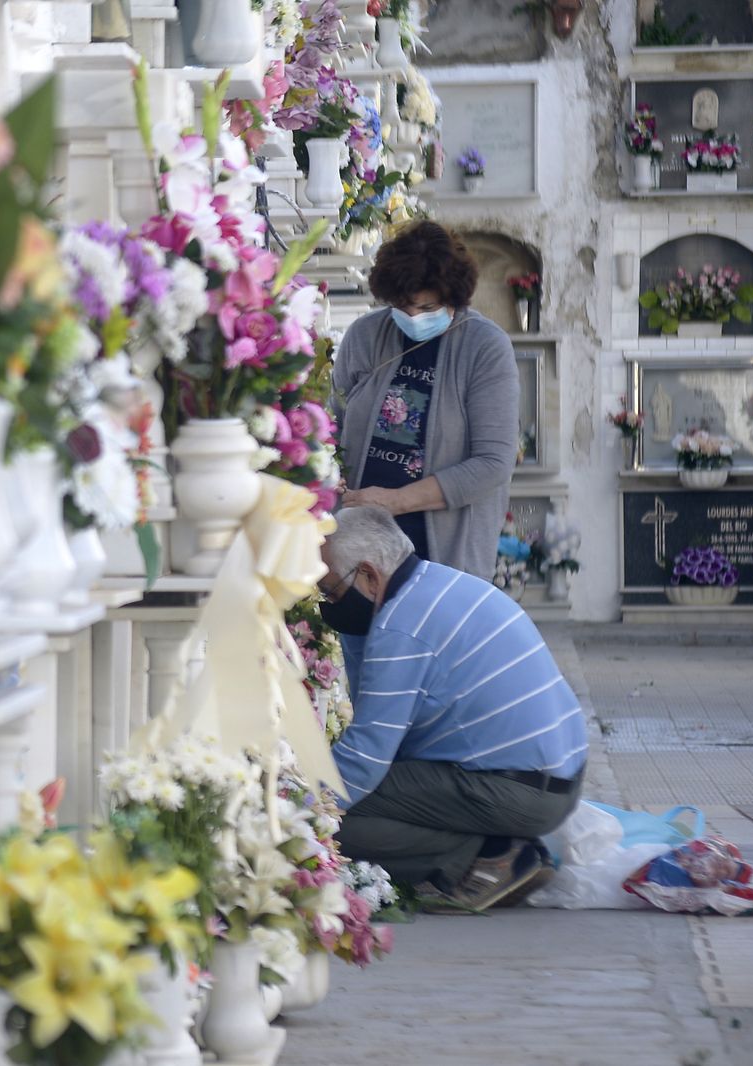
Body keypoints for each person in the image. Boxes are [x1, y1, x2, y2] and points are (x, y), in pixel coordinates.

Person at [319, 506, 586, 912]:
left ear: (370, 576)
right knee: (358, 796)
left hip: (522, 794)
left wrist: (296, 812)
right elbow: (378, 718)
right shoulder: (440, 584)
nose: (329, 604)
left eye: (331, 591)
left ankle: (485, 857)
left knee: (337, 824)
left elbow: (365, 760)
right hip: (558, 781)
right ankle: (502, 846)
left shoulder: (402, 627)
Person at [330, 220, 519, 696]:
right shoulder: (365, 337)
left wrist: (394, 501)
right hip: (360, 559)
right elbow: (330, 429)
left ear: (454, 297)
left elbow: (493, 462)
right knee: (369, 695)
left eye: (428, 307)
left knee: (433, 702)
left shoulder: (484, 347)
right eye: (403, 306)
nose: (414, 316)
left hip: (439, 560)